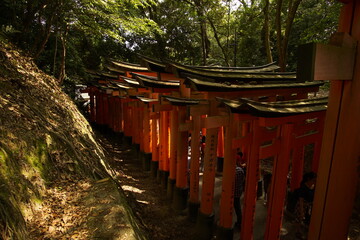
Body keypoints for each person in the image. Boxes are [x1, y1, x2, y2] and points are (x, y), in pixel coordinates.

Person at [294, 172, 317, 239]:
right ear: (308, 179)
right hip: (302, 205)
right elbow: (301, 199)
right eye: (313, 180)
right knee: (300, 218)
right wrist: (301, 210)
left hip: (309, 205)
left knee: (306, 219)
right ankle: (298, 232)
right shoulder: (304, 187)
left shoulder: (313, 186)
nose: (314, 181)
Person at [234, 158, 245, 229]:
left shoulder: (233, 172)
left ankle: (240, 223)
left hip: (234, 192)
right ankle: (239, 222)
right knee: (238, 207)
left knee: (237, 207)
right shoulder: (240, 170)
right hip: (239, 191)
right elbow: (243, 180)